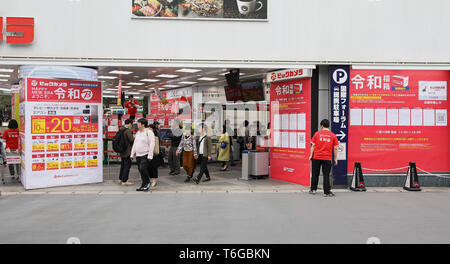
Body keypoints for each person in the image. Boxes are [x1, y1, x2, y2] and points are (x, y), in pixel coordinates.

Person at [309, 119, 339, 197]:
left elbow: (313, 145)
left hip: (316, 157)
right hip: (327, 158)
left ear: (322, 126)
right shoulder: (333, 135)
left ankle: (313, 189)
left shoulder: (317, 134)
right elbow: (335, 148)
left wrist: (310, 155)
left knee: (315, 174)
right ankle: (327, 192)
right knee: (326, 175)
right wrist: (335, 158)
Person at [131, 118, 155, 192]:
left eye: (138, 123)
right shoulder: (138, 132)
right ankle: (143, 184)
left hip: (145, 154)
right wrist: (132, 154)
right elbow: (135, 144)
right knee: (140, 170)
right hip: (138, 155)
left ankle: (147, 183)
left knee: (143, 168)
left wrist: (150, 155)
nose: (137, 124)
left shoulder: (149, 132)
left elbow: (152, 144)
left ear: (143, 124)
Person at [118, 119, 135, 186]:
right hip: (127, 151)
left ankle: (120, 179)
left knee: (123, 165)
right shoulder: (127, 131)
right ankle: (124, 181)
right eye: (131, 124)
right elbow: (132, 140)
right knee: (127, 166)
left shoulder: (121, 129)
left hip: (122, 151)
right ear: (130, 124)